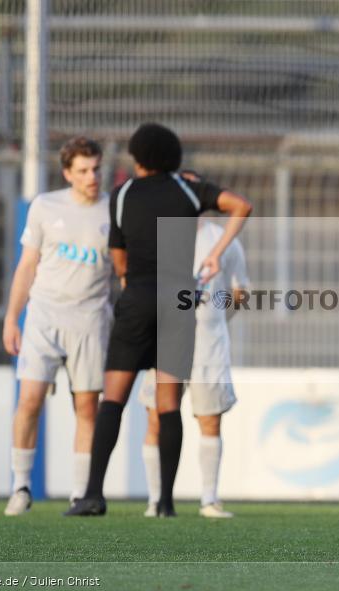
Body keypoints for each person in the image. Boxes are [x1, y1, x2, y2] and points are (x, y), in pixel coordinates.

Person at [65, 123, 252, 517]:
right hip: (177, 302)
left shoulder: (123, 193)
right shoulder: (188, 190)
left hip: (137, 300)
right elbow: (241, 206)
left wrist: (129, 281)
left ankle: (93, 495)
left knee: (112, 400)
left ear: (138, 158)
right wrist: (216, 252)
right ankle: (165, 503)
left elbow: (118, 254)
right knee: (168, 405)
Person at [2, 136, 110, 515]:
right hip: (45, 316)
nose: (91, 176)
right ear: (68, 173)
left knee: (87, 407)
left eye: (96, 168)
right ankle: (20, 487)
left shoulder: (113, 212)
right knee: (29, 399)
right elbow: (27, 265)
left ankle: (81, 494)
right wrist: (12, 318)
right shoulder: (45, 206)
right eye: (83, 170)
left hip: (91, 319)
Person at [138, 214, 250, 518]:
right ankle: (155, 499)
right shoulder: (159, 235)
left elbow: (241, 291)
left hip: (209, 347)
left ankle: (209, 499)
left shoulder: (224, 239)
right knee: (156, 418)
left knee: (210, 420)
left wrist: (216, 319)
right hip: (165, 343)